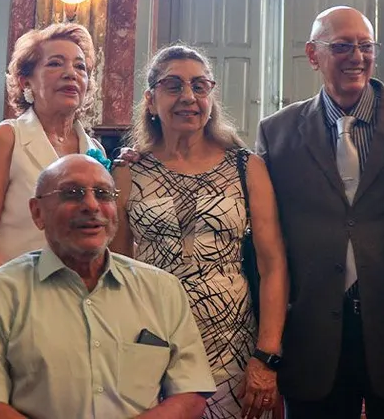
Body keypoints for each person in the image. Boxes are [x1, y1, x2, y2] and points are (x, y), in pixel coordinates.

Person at [255, 6, 384, 418]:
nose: (356, 57)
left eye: (365, 46)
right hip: (314, 337)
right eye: (341, 46)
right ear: (312, 53)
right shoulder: (278, 132)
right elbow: (262, 236)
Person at [0, 154, 216, 418]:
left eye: (103, 194)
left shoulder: (163, 289)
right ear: (37, 212)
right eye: (72, 193)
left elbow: (191, 391)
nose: (91, 205)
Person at [110, 44, 289, 418]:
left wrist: (266, 354)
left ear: (211, 96)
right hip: (151, 340)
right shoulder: (128, 171)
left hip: (232, 343)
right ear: (150, 99)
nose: (188, 97)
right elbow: (117, 268)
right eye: (173, 86)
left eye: (200, 86)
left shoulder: (246, 166)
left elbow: (273, 265)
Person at [0, 22, 105, 279]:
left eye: (80, 66)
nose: (70, 73)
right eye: (55, 63)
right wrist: (5, 303)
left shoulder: (95, 150)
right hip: (18, 299)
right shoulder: (7, 138)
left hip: (84, 300)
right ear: (25, 80)